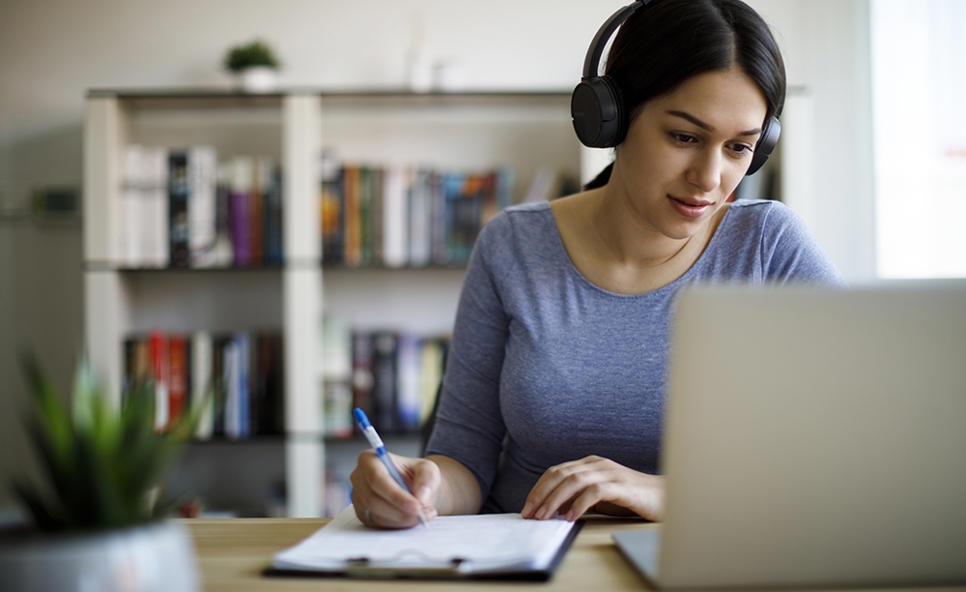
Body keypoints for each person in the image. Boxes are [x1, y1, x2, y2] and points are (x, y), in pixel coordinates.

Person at [349, 0, 844, 529]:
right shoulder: (512, 245)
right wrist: (418, 485)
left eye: (739, 147)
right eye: (684, 137)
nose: (710, 177)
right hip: (528, 561)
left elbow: (857, 448)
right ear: (611, 116)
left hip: (704, 561)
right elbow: (462, 459)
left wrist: (664, 493)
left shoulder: (768, 246)